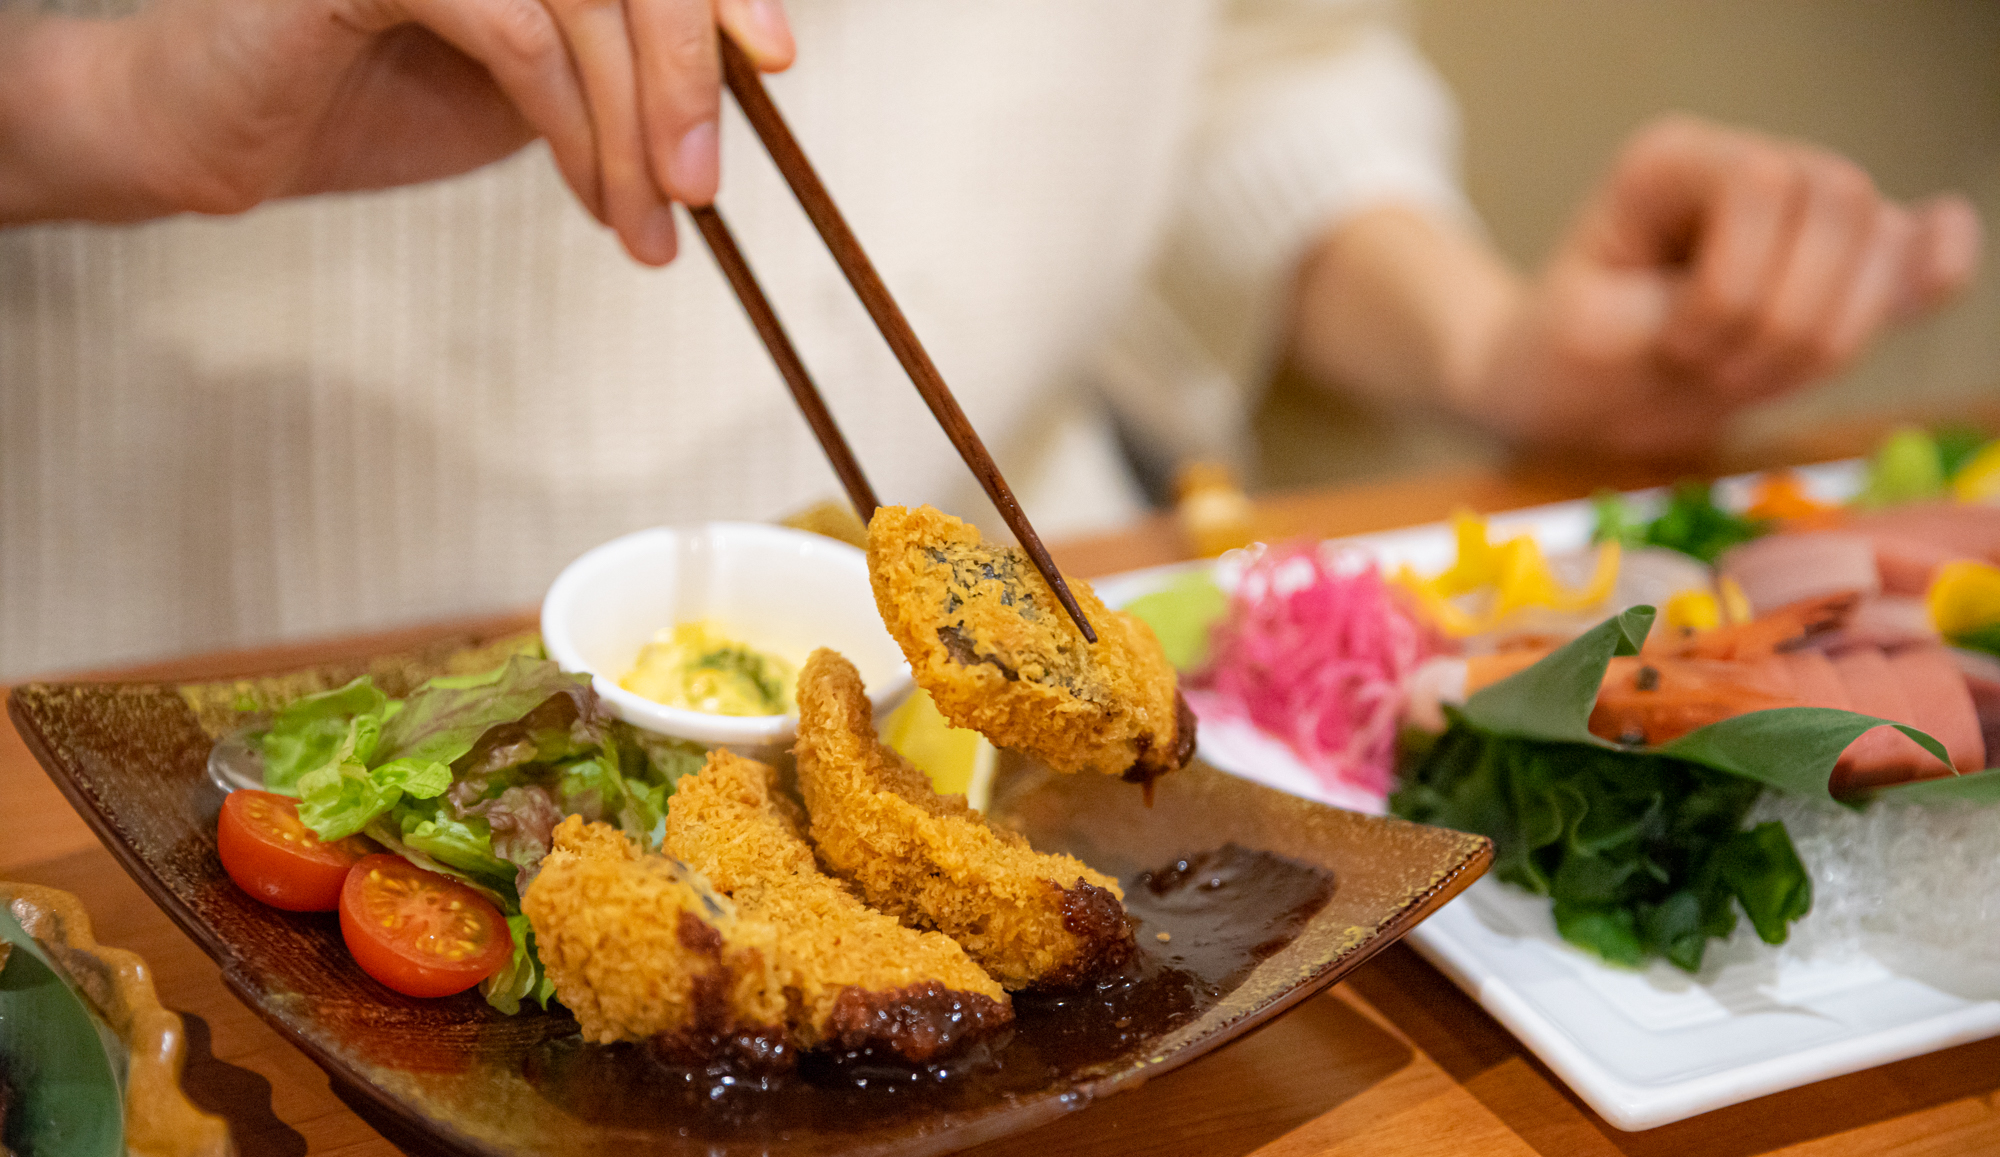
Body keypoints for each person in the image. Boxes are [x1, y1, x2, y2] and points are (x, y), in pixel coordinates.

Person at [0, 0, 1980, 678]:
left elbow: (1235, 62)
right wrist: (95, 107)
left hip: (1024, 612)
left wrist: (1486, 336)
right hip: (139, 699)